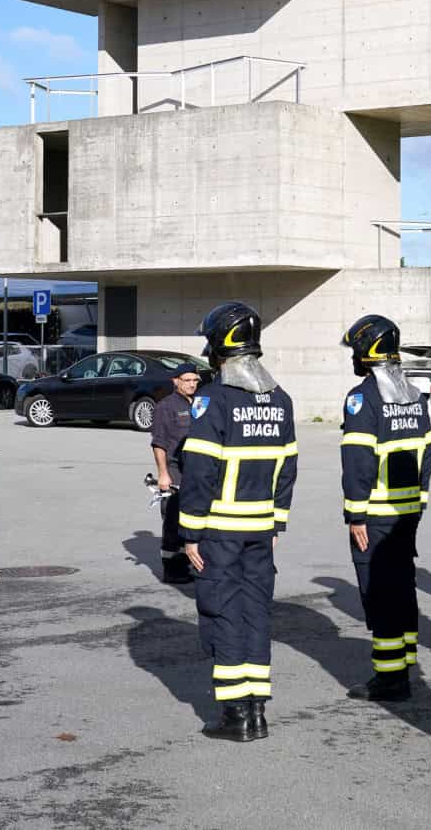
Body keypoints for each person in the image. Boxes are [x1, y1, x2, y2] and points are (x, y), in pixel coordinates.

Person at [178, 302, 297, 742]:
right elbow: (288, 468)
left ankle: (236, 716)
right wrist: (276, 522)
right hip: (260, 530)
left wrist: (190, 532)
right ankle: (258, 710)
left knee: (224, 613)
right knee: (256, 614)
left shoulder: (213, 399)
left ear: (219, 346)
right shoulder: (280, 400)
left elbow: (200, 471)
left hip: (220, 530)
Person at [339, 314, 431, 702]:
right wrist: (419, 501)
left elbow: (358, 462)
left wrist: (355, 513)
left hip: (376, 515)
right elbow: (428, 455)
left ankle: (391, 677)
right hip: (407, 511)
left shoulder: (363, 398)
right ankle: (405, 659)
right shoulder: (414, 395)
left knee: (379, 591)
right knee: (402, 585)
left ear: (366, 352)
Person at [149, 363, 202, 584]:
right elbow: (159, 443)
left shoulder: (201, 403)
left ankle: (191, 562)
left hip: (198, 469)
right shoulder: (166, 407)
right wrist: (163, 474)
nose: (192, 384)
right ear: (175, 381)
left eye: (195, 380)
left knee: (194, 516)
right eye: (187, 380)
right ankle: (173, 569)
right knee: (173, 518)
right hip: (175, 469)